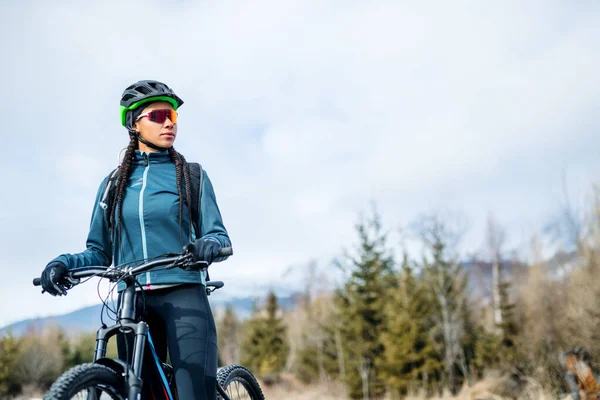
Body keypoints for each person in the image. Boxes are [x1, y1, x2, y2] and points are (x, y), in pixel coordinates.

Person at [39, 79, 231, 399]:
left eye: (173, 116)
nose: (169, 122)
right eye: (158, 116)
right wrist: (63, 264)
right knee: (141, 393)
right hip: (132, 300)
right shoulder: (113, 183)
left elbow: (218, 234)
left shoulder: (192, 175)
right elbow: (98, 251)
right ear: (134, 124)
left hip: (185, 295)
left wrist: (208, 245)